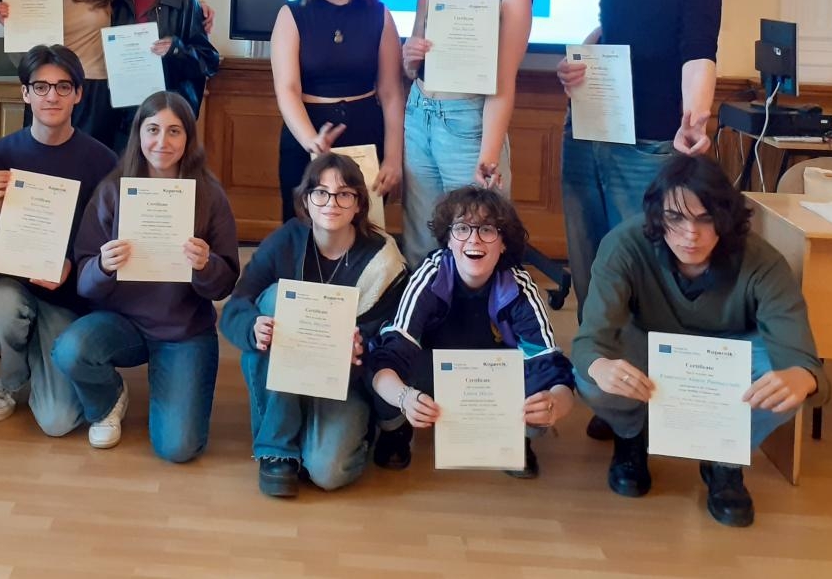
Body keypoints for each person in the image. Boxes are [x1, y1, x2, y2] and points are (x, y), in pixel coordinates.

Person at [572, 155, 827, 527]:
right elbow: (587, 342)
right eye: (675, 217)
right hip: (648, 344)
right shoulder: (624, 244)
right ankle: (631, 434)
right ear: (656, 216)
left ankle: (724, 459)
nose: (690, 233)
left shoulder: (763, 261)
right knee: (591, 377)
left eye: (705, 218)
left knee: (783, 385)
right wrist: (600, 366)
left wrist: (803, 378)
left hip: (729, 354)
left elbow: (804, 361)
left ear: (725, 217)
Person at [557, 0, 723, 316]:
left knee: (643, 263)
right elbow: (614, 29)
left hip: (650, 139)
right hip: (589, 128)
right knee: (588, 259)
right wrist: (578, 58)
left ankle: (641, 353)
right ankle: (594, 349)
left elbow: (698, 53)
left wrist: (696, 119)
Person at [54, 91, 239, 462]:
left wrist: (205, 265)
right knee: (71, 350)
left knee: (178, 448)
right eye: (152, 129)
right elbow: (84, 281)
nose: (162, 141)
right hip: (120, 323)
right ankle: (109, 399)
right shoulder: (112, 190)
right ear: (138, 134)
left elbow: (226, 283)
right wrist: (103, 266)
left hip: (183, 332)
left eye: (174, 131)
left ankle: (172, 381)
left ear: (188, 138)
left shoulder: (209, 195)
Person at [221, 153, 405, 497]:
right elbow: (235, 308)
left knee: (327, 472)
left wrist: (361, 350)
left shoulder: (383, 261)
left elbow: (394, 344)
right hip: (285, 369)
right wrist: (252, 327)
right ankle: (278, 450)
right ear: (306, 200)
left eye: (344, 194)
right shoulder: (287, 240)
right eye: (321, 192)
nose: (331, 203)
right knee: (274, 300)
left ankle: (325, 434)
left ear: (359, 204)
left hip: (344, 380)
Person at [366, 185, 575, 478]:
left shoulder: (518, 286)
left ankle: (517, 438)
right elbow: (391, 352)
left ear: (503, 243)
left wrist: (553, 406)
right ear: (449, 240)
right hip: (434, 367)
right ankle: (395, 431)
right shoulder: (431, 275)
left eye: (487, 230)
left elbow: (552, 368)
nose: (474, 239)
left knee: (539, 385)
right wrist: (403, 398)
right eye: (462, 228)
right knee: (381, 360)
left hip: (493, 376)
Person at [0, 44, 118, 434]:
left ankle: (49, 361)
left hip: (68, 296)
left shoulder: (103, 162)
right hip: (13, 287)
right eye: (40, 87)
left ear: (78, 94)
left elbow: (109, 243)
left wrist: (72, 266)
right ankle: (11, 376)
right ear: (25, 93)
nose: (51, 96)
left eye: (62, 87)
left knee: (57, 421)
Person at [399, 0, 533, 268]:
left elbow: (504, 83)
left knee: (477, 235)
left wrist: (488, 154)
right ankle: (423, 304)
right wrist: (410, 55)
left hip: (469, 122)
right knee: (421, 234)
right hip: (419, 112)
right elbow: (411, 65)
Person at [270, 0, 403, 221]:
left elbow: (391, 93)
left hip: (366, 134)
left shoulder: (380, 15)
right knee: (305, 229)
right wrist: (312, 142)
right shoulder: (292, 14)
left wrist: (393, 158)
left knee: (362, 230)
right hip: (306, 135)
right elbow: (287, 89)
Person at [0, 0, 115, 144]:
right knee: (41, 159)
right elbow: (22, 58)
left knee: (91, 161)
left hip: (94, 87)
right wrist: (11, 27)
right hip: (47, 86)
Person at [105, 0, 219, 145]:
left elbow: (210, 62)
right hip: (125, 121)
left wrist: (176, 50)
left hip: (171, 117)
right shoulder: (111, 4)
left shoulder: (184, 1)